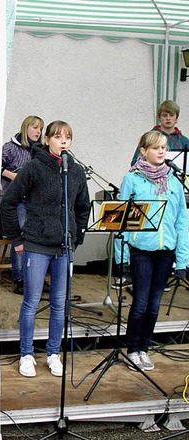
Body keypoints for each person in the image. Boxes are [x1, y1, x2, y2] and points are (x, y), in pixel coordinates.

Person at [0, 120, 90, 378]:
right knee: (31, 302)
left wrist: (77, 235)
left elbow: (83, 206)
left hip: (64, 246)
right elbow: (9, 202)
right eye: (58, 136)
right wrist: (17, 239)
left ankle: (53, 352)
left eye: (68, 137)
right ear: (48, 139)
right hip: (38, 244)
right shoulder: (34, 168)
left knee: (59, 303)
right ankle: (26, 354)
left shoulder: (75, 171)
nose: (64, 141)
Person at [117, 131, 189, 371]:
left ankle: (144, 349)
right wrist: (122, 258)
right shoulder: (133, 179)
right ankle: (132, 349)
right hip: (141, 251)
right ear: (144, 151)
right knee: (140, 303)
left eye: (164, 148)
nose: (161, 152)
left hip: (165, 252)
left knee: (155, 305)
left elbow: (181, 222)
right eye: (156, 147)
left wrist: (182, 261)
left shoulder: (174, 182)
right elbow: (122, 222)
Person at [0, 116, 44, 295]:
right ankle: (19, 278)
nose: (38, 132)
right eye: (35, 128)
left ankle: (34, 277)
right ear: (26, 128)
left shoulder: (40, 151)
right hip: (16, 200)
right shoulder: (10, 148)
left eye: (40, 129)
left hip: (34, 200)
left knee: (34, 237)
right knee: (20, 238)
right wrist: (14, 177)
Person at [130, 100, 189, 167]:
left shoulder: (184, 141)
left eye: (171, 115)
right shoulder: (149, 138)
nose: (168, 118)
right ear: (159, 117)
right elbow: (135, 163)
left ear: (176, 117)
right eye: (164, 115)